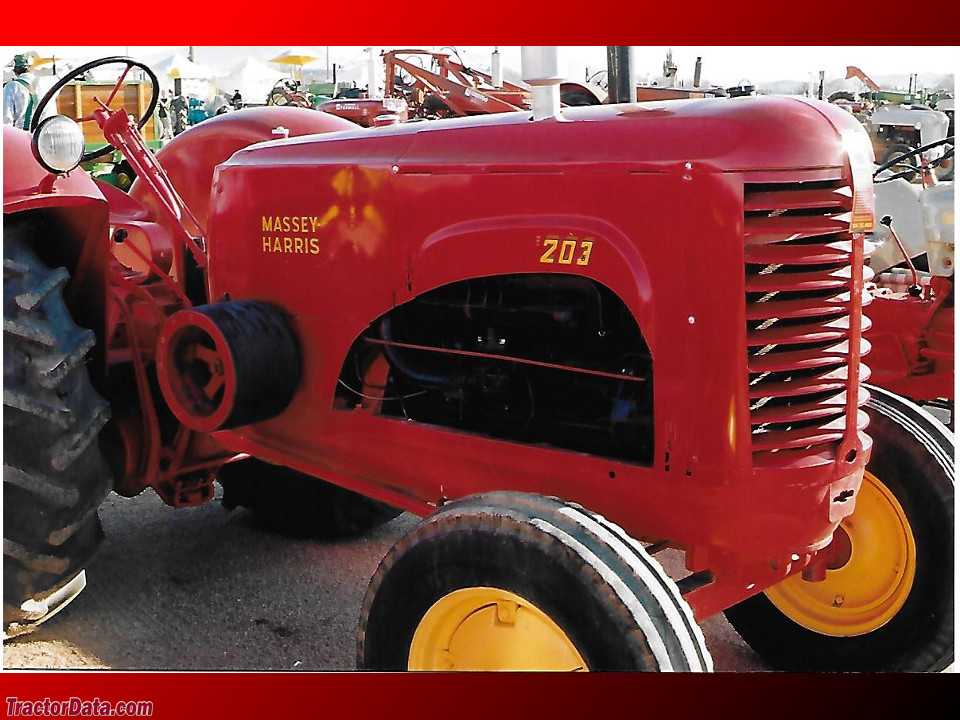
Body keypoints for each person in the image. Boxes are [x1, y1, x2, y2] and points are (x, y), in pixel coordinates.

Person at [3, 54, 38, 129]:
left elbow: (6, 119)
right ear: (32, 67)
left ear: (15, 71)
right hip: (45, 135)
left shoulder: (11, 87)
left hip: (22, 136)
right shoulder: (47, 82)